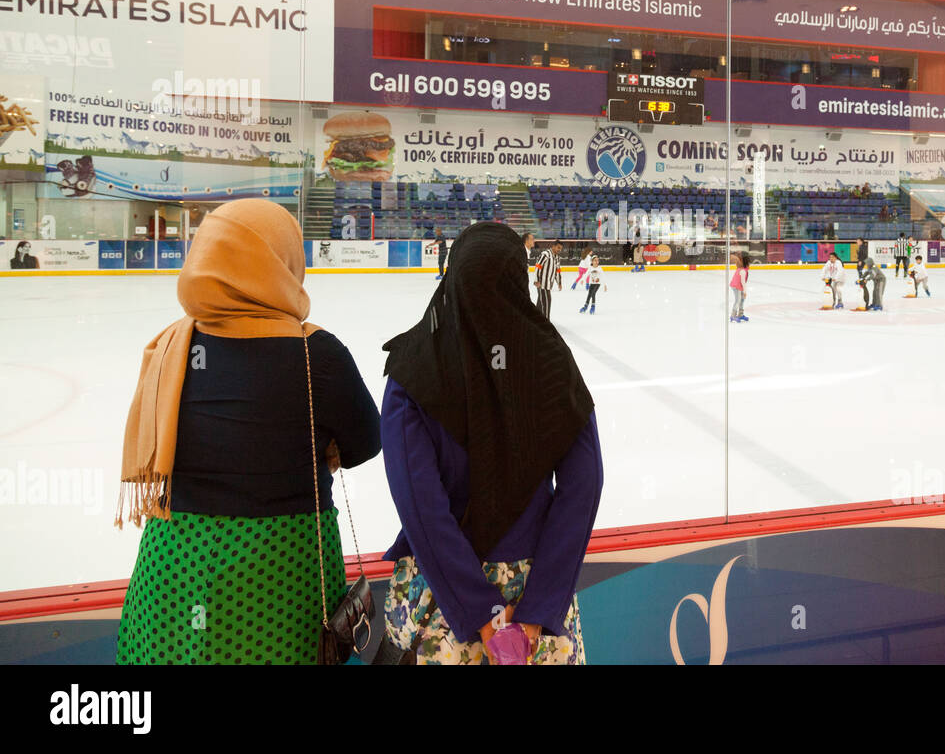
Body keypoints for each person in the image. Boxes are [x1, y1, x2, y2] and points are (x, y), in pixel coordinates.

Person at [114, 199, 381, 664]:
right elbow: (365, 442)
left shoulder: (171, 348)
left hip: (176, 567)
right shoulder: (316, 353)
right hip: (282, 569)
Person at [378, 223, 602, 665]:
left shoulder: (414, 370)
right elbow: (584, 486)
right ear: (520, 279)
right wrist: (538, 611)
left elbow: (420, 505)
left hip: (447, 610)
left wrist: (485, 616)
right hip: (536, 597)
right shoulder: (553, 364)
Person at [535, 241, 562, 319]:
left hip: (548, 284)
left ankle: (535, 319)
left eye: (561, 248)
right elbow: (538, 266)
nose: (559, 250)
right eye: (558, 247)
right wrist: (536, 280)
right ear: (553, 246)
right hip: (541, 284)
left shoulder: (557, 257)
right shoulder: (545, 254)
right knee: (547, 303)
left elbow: (558, 270)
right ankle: (546, 323)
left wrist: (559, 282)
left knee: (541, 303)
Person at [729, 251, 750, 323]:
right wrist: (744, 292)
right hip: (736, 286)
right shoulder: (743, 271)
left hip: (738, 286)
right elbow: (743, 282)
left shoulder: (743, 269)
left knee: (742, 300)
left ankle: (740, 314)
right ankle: (733, 316)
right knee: (738, 300)